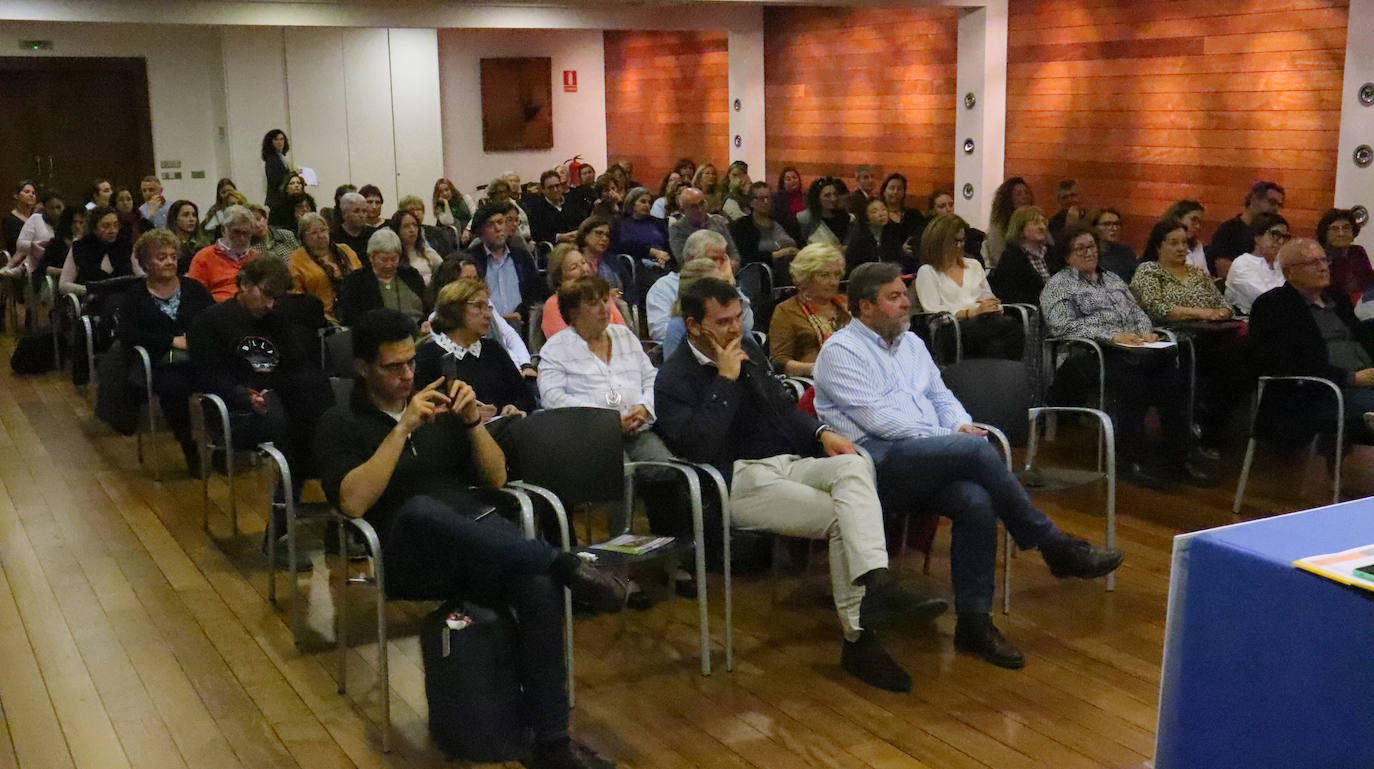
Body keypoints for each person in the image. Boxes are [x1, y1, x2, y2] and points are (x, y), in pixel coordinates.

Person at [315, 308, 625, 769]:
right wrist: (402, 429)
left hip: (478, 542)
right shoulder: (340, 422)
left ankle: (553, 744)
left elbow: (498, 478)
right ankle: (562, 563)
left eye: (410, 364)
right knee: (422, 510)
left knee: (536, 588)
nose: (407, 376)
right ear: (362, 368)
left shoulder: (441, 407)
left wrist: (472, 423)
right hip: (409, 555)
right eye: (392, 367)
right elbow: (354, 504)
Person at [813, 261, 1126, 669]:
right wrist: (951, 441)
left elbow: (942, 397)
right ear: (864, 307)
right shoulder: (840, 351)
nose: (906, 302)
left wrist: (960, 425)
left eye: (903, 294)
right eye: (894, 297)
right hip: (871, 464)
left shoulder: (911, 343)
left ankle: (974, 624)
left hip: (923, 456)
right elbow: (880, 422)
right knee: (977, 452)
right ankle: (1053, 545)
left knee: (976, 500)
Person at [657, 275, 947, 692]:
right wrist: (724, 380)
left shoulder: (748, 349)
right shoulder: (673, 379)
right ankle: (860, 637)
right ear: (693, 326)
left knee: (854, 464)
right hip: (735, 480)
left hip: (788, 463)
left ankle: (876, 583)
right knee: (844, 517)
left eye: (737, 318)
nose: (735, 329)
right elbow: (698, 447)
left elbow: (781, 406)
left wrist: (820, 434)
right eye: (722, 322)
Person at [538, 275, 692, 572]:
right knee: (618, 477)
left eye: (605, 300)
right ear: (572, 312)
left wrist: (645, 408)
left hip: (638, 427)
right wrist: (606, 419)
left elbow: (652, 378)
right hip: (591, 438)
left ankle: (675, 560)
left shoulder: (624, 336)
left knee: (668, 469)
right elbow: (552, 398)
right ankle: (620, 570)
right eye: (592, 303)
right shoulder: (556, 349)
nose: (603, 308)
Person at [189, 256, 333, 568]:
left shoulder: (275, 321)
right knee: (298, 435)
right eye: (266, 295)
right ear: (244, 285)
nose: (270, 304)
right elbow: (206, 376)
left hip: (278, 404)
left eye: (276, 298)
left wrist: (274, 390)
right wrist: (244, 396)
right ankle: (286, 532)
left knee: (323, 414)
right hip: (233, 412)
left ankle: (312, 523)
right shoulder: (210, 322)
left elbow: (297, 365)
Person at [1040, 225, 1204, 485]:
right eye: (1080, 249)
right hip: (1089, 353)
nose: (1088, 253)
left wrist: (1145, 333)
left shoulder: (1113, 279)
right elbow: (1062, 325)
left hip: (1133, 349)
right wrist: (1112, 336)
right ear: (1066, 255)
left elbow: (1136, 312)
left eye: (1091, 247)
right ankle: (1131, 461)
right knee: (1132, 381)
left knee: (1173, 379)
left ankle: (1178, 458)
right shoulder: (1059, 284)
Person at [1131, 218, 1246, 455]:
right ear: (1158, 247)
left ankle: (1211, 428)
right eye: (1173, 243)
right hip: (1172, 338)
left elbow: (1225, 305)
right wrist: (1202, 313)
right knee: (1203, 364)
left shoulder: (1197, 274)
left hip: (1211, 335)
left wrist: (1219, 314)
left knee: (1238, 365)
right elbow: (1156, 307)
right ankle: (1188, 438)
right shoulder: (1149, 271)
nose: (1181, 248)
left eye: (1184, 243)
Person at [1249, 237, 1374, 443]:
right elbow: (1286, 361)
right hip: (1314, 392)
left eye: (1324, 260)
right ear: (1289, 272)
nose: (1323, 267)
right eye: (1312, 263)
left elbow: (1359, 336)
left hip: (1362, 383)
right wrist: (1352, 378)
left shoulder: (1337, 298)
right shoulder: (1274, 305)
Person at [118, 229, 214, 472]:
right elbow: (129, 335)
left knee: (222, 378)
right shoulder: (135, 295)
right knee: (174, 385)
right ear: (146, 263)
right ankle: (188, 444)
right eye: (162, 257)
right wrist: (171, 341)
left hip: (199, 356)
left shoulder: (194, 289)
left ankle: (223, 444)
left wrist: (193, 339)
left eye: (173, 256)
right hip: (161, 359)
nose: (170, 261)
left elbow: (213, 321)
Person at [416, 278, 535, 422]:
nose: (488, 315)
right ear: (454, 310)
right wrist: (468, 415)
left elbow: (526, 397)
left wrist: (513, 407)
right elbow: (425, 412)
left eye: (488, 307)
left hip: (502, 431)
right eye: (478, 306)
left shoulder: (493, 349)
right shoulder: (427, 356)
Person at [913, 214, 1023, 360]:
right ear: (939, 241)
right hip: (951, 327)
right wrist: (969, 312)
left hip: (981, 321)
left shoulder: (974, 265)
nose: (959, 246)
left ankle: (1002, 375)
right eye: (954, 241)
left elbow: (987, 296)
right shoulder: (928, 272)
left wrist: (991, 306)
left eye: (962, 240)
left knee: (1011, 327)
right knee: (1001, 332)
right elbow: (934, 312)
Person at [647, 229, 753, 343]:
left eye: (723, 260)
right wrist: (709, 330)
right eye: (713, 259)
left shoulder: (724, 285)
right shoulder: (664, 288)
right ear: (691, 259)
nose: (719, 265)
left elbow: (748, 324)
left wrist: (729, 285)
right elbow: (660, 331)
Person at [769, 244, 850, 376]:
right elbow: (779, 362)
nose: (833, 282)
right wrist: (818, 369)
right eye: (825, 275)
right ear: (805, 277)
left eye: (836, 275)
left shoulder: (847, 305)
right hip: (814, 382)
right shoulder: (786, 311)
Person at [460, 204, 542, 328]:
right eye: (490, 225)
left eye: (500, 222)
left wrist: (521, 313)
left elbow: (535, 292)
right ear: (480, 233)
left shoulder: (521, 256)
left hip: (521, 324)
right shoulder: (471, 260)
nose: (498, 228)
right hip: (486, 326)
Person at [337, 229, 427, 326]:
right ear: (371, 257)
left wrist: (425, 324)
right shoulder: (356, 281)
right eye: (383, 259)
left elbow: (427, 308)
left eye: (394, 259)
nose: (389, 265)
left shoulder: (411, 275)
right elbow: (350, 317)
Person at [541, 245, 627, 339]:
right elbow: (562, 344)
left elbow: (623, 332)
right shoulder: (553, 304)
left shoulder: (603, 295)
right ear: (559, 278)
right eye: (574, 267)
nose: (584, 270)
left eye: (583, 263)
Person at [288, 211, 360, 322]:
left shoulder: (345, 250)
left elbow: (361, 278)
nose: (320, 236)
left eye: (323, 230)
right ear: (303, 237)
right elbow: (296, 298)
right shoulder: (297, 259)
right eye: (313, 233)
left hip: (355, 310)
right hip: (321, 319)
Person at [1207, 181, 1285, 278]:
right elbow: (1224, 270)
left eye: (1279, 205)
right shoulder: (1228, 230)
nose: (1276, 208)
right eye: (1272, 202)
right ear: (1254, 199)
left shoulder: (1274, 233)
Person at [60, 206, 141, 298]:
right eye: (106, 226)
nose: (112, 230)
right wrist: (90, 290)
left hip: (124, 301)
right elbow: (63, 285)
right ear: (94, 228)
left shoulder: (125, 246)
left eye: (115, 225)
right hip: (91, 300)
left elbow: (141, 276)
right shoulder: (80, 247)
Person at [186, 205, 260, 301]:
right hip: (218, 309)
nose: (242, 238)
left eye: (246, 233)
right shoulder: (204, 257)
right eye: (236, 232)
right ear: (223, 230)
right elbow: (194, 295)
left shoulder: (258, 258)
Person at [662, 257, 731, 360]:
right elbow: (674, 373)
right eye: (715, 288)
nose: (722, 293)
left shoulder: (733, 320)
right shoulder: (677, 327)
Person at [1222, 212, 1289, 314]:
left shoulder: (1280, 264)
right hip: (1249, 323)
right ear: (1257, 236)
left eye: (1284, 237)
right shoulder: (1242, 264)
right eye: (1275, 235)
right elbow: (1266, 300)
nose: (1280, 242)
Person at [987, 205, 1054, 305]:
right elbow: (1012, 296)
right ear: (1020, 229)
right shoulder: (1011, 258)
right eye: (1036, 223)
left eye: (1044, 222)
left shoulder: (1052, 253)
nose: (1042, 227)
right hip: (1033, 310)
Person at [612, 187, 672, 297]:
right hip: (636, 264)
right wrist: (651, 251)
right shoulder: (621, 223)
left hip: (662, 263)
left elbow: (667, 245)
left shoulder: (657, 223)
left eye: (649, 203)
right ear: (632, 203)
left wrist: (665, 256)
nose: (647, 205)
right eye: (643, 201)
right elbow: (623, 245)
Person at [730, 181, 800, 270]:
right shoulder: (742, 226)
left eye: (768, 198)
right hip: (760, 272)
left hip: (791, 266)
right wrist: (777, 254)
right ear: (751, 202)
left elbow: (798, 243)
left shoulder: (782, 221)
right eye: (761, 198)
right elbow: (747, 257)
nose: (766, 202)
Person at [669, 187, 741, 265]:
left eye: (702, 203)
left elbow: (733, 252)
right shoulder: (678, 229)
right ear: (683, 210)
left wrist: (732, 265)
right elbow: (684, 261)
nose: (700, 209)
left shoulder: (719, 221)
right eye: (693, 207)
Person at [1317, 208, 1371, 305]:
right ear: (1325, 233)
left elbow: (1368, 282)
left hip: (1361, 306)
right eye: (1335, 229)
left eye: (1346, 228)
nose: (1341, 233)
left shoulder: (1358, 252)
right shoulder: (1319, 256)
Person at [845, 197, 907, 275]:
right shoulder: (858, 239)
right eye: (874, 212)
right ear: (866, 217)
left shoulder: (893, 232)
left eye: (883, 209)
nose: (881, 214)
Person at [575, 216, 632, 299]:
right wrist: (605, 295)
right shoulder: (574, 260)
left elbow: (629, 289)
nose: (604, 238)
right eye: (598, 233)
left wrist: (619, 294)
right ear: (585, 235)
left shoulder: (614, 261)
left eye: (607, 235)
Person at [10, 187, 62, 278]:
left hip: (59, 261)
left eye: (58, 207)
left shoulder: (68, 224)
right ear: (45, 208)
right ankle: (22, 269)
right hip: (39, 263)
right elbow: (20, 244)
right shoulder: (36, 219)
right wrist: (33, 246)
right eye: (51, 208)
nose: (55, 212)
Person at [983, 177, 1033, 268]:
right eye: (1019, 194)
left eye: (1026, 193)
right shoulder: (998, 229)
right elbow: (999, 260)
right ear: (1009, 200)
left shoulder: (1038, 223)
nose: (1024, 197)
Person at [526, 170, 586, 245]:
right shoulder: (536, 210)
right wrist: (559, 237)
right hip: (554, 249)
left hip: (577, 243)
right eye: (550, 187)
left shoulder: (573, 203)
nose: (555, 190)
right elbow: (537, 236)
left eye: (557, 185)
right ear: (543, 190)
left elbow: (583, 223)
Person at [390, 209, 443, 288]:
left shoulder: (427, 252)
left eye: (414, 225)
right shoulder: (392, 256)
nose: (412, 230)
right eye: (406, 226)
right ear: (397, 230)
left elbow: (445, 272)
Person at [795, 177, 853, 247]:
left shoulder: (848, 218)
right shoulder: (805, 219)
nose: (833, 199)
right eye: (827, 196)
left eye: (835, 194)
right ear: (817, 199)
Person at [1159, 200, 1210, 275]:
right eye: (1193, 220)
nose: (1197, 226)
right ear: (1178, 218)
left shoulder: (1197, 245)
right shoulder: (1162, 244)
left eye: (1199, 222)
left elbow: (1205, 274)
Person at [877, 173, 924, 251]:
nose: (895, 192)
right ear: (884, 191)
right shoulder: (878, 216)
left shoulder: (913, 214)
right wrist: (900, 249)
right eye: (892, 188)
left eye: (899, 188)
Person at [1092, 208, 1137, 282]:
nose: (1114, 228)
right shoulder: (1088, 253)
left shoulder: (1126, 251)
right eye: (1107, 224)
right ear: (1094, 227)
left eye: (1117, 224)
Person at [164, 200, 206, 274]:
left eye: (194, 215)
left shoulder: (203, 244)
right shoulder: (166, 245)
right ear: (175, 219)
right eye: (185, 215)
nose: (191, 219)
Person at [433, 176, 473, 249]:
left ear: (451, 189)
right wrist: (446, 204)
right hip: (454, 242)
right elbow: (449, 221)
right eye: (441, 192)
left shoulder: (466, 198)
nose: (444, 193)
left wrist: (467, 230)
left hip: (471, 232)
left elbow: (475, 216)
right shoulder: (440, 208)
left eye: (446, 190)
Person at [332, 191, 375, 258]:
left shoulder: (373, 234)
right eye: (356, 211)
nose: (361, 215)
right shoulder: (334, 236)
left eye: (364, 211)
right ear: (344, 213)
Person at [261, 129, 292, 215]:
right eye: (276, 139)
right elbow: (275, 180)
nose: (280, 142)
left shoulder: (281, 157)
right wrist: (293, 174)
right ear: (270, 142)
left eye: (282, 139)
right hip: (276, 202)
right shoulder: (271, 159)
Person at [4, 180, 38, 255]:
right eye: (27, 192)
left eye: (33, 193)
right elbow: (14, 247)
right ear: (16, 195)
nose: (31, 195)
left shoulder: (37, 218)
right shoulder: (10, 220)